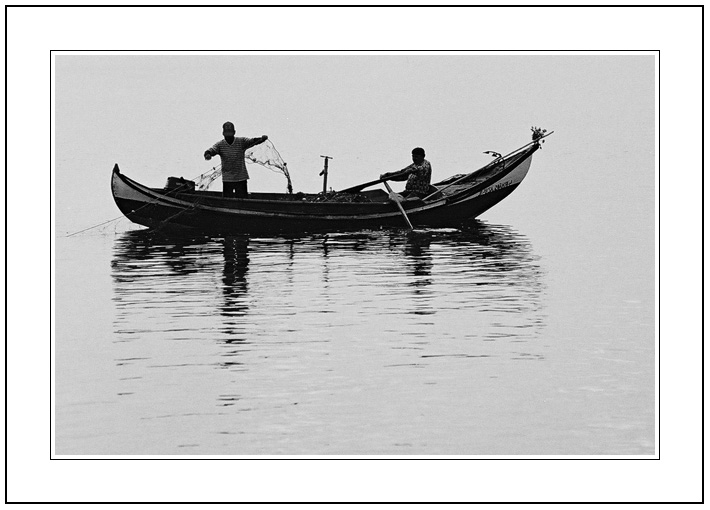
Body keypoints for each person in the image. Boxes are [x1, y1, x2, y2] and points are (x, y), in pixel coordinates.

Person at [204, 121, 268, 198]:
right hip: (227, 179)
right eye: (227, 133)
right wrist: (208, 154)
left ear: (234, 132)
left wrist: (261, 139)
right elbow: (212, 150)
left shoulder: (241, 141)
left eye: (230, 133)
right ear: (223, 134)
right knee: (228, 201)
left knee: (242, 200)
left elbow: (252, 141)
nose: (228, 136)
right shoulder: (220, 145)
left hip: (241, 177)